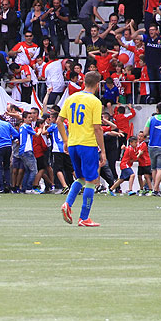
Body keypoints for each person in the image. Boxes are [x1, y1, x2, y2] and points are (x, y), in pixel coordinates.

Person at [57, 71, 106, 227]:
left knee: (80, 178)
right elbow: (97, 128)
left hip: (73, 144)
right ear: (97, 85)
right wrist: (103, 150)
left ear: (84, 81)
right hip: (88, 144)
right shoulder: (95, 102)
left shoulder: (71, 98)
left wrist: (65, 140)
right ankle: (84, 218)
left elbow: (59, 121)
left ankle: (68, 204)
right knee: (91, 180)